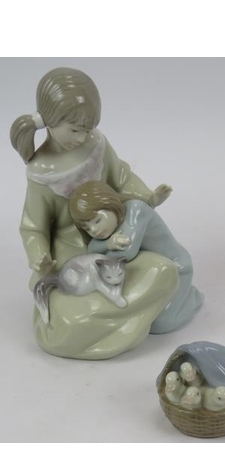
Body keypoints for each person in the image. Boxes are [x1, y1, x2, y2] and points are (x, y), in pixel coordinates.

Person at [11, 67, 182, 359]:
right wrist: (41, 257)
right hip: (74, 263)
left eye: (87, 129)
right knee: (67, 321)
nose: (81, 137)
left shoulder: (97, 145)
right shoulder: (41, 171)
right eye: (74, 130)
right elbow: (33, 227)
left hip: (114, 248)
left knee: (163, 271)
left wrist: (148, 196)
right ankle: (114, 321)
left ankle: (115, 320)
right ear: (50, 121)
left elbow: (122, 177)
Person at [69, 181, 203, 333]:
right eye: (87, 228)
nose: (94, 230)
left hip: (177, 268)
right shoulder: (109, 228)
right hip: (151, 274)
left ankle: (194, 298)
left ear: (111, 205)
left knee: (161, 324)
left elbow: (125, 253)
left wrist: (103, 252)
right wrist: (107, 244)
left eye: (97, 221)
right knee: (143, 319)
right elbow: (92, 248)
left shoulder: (136, 209)